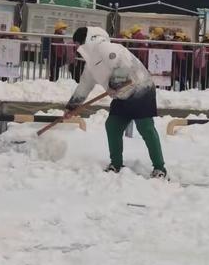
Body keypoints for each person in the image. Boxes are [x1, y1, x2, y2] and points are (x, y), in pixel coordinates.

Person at [65, 26, 167, 179]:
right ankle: (116, 163)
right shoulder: (91, 64)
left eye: (77, 44)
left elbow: (123, 64)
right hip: (121, 95)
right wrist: (72, 107)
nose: (76, 47)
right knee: (112, 125)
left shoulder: (106, 47)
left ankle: (159, 167)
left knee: (145, 127)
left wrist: (114, 83)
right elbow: (84, 86)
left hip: (140, 89)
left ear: (84, 41)